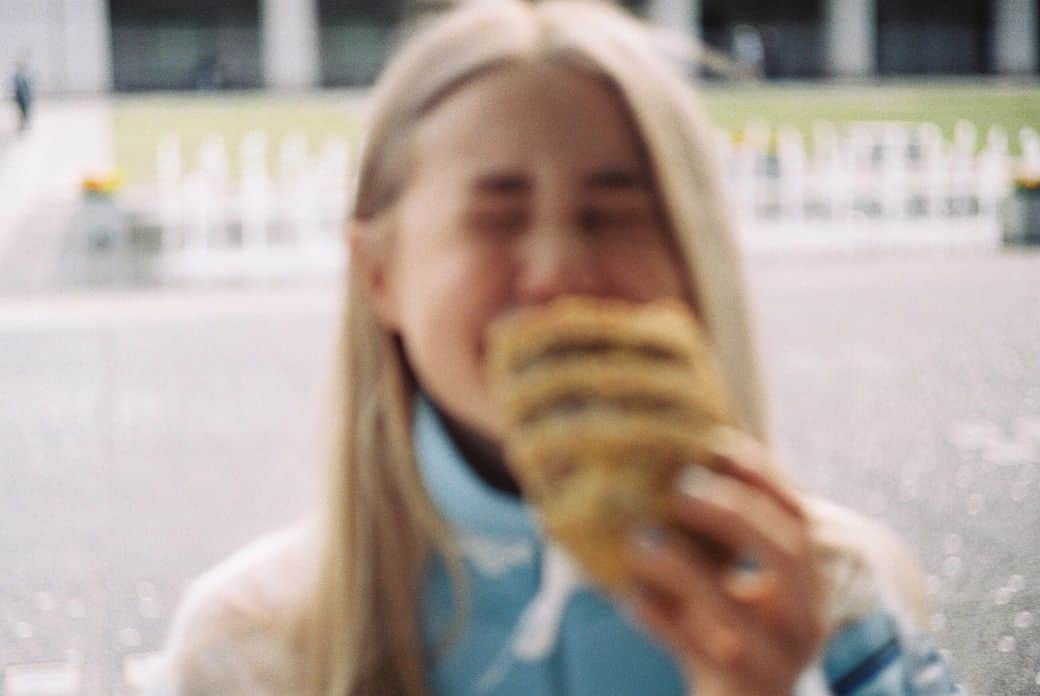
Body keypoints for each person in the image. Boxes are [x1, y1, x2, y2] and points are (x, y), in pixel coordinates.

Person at [151, 2, 961, 695]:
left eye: (615, 213)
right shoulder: (254, 646)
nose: (560, 273)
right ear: (380, 275)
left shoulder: (838, 603)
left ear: (692, 262)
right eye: (496, 216)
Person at [12, 59, 32, 134]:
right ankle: (22, 125)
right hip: (20, 99)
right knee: (21, 112)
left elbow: (27, 88)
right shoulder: (16, 77)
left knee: (25, 112)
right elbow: (15, 89)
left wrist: (28, 97)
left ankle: (24, 124)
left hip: (25, 98)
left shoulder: (24, 76)